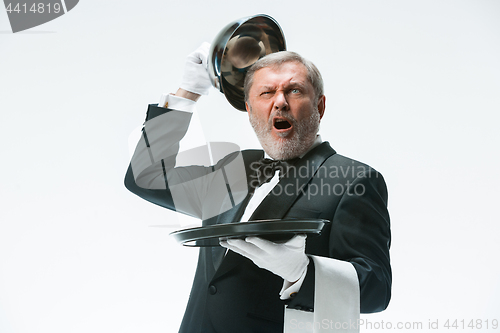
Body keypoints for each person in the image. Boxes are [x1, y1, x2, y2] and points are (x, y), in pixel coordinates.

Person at [124, 43, 391, 333]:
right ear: (250, 110)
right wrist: (188, 93)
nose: (280, 102)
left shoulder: (354, 178)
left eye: (295, 90)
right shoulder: (235, 166)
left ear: (320, 107)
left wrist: (302, 271)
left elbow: (376, 290)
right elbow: (146, 176)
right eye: (267, 93)